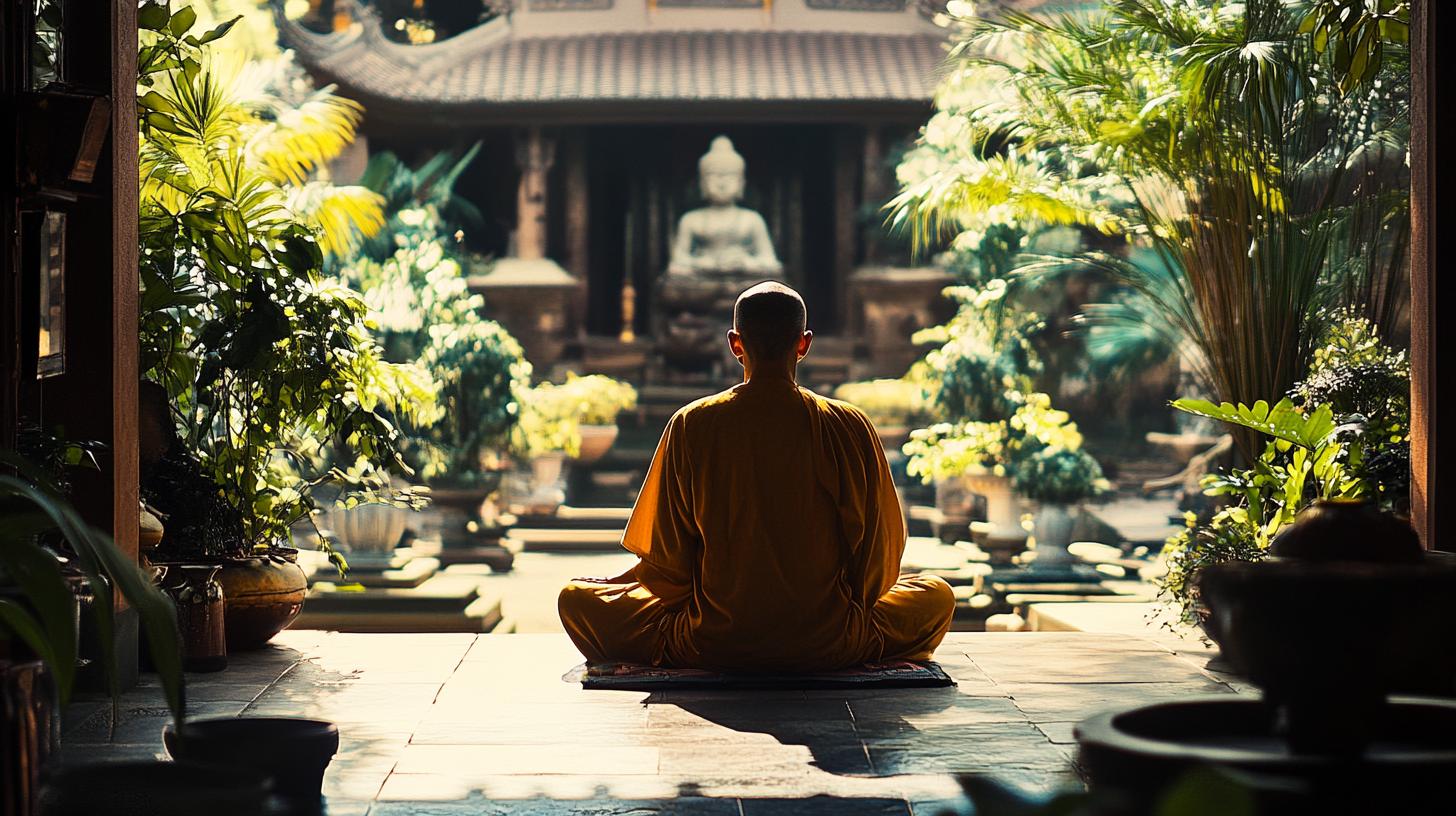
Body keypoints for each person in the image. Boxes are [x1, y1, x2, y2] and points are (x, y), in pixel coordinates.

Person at [558, 281, 954, 672]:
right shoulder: (848, 425)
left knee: (576, 598)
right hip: (831, 642)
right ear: (804, 343)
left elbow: (668, 573)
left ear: (735, 343)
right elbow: (880, 556)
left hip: (710, 643)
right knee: (936, 596)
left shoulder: (691, 425)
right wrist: (844, 610)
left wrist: (618, 584)